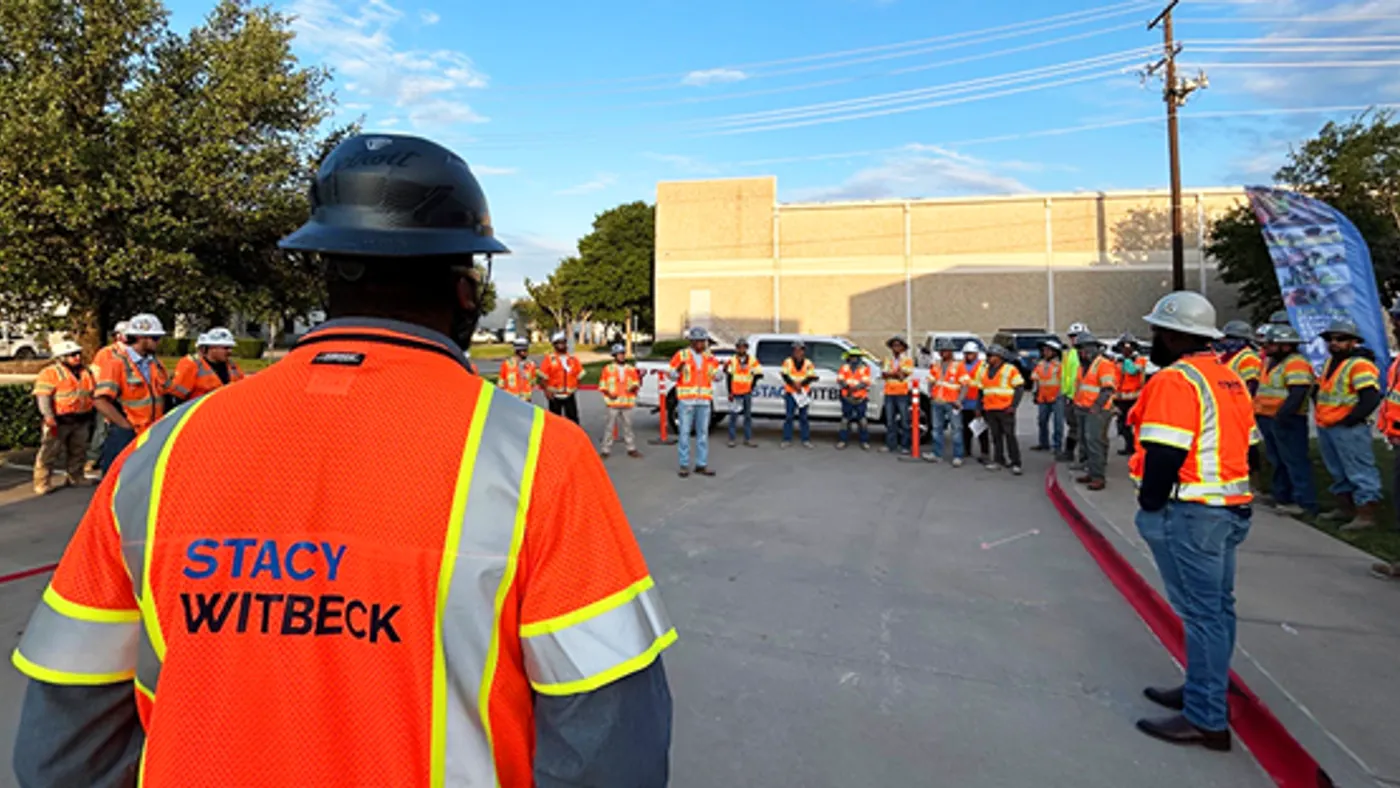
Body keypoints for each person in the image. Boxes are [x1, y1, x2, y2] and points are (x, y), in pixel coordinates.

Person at [9, 134, 674, 787]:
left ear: (325, 269)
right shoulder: (538, 456)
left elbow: (66, 743)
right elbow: (607, 747)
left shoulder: (161, 452)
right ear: (466, 290)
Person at [1131, 290, 1259, 752]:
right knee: (1218, 611)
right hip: (1229, 507)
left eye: (1156, 331)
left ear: (1169, 334)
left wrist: (1149, 505)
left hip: (1192, 512)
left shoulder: (1175, 380)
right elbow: (1253, 450)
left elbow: (1165, 454)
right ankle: (1204, 688)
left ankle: (1205, 718)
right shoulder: (1228, 380)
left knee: (1203, 615)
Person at [1314, 319, 1383, 531]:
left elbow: (1370, 397)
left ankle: (1366, 514)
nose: (1334, 343)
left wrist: (1350, 420)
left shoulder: (1359, 364)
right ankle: (1345, 508)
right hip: (1328, 424)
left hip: (1348, 427)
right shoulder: (1331, 363)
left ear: (1353, 342)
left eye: (1340, 339)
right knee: (1338, 470)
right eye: (1330, 339)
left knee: (1359, 470)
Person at [1254, 324, 1318, 518]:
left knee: (1294, 460)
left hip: (1288, 419)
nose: (1267, 347)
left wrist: (1283, 415)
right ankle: (1282, 495)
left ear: (1286, 346)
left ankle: (1304, 502)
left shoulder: (1296, 363)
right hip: (1270, 417)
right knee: (1279, 460)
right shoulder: (1272, 362)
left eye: (1272, 344)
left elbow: (1298, 392)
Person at [93, 312, 170, 472]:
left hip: (152, 433)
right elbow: (100, 400)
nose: (159, 342)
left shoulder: (155, 364)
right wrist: (125, 426)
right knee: (118, 480)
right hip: (127, 434)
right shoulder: (116, 364)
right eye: (155, 338)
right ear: (141, 338)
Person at [31, 341, 95, 496]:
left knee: (78, 451)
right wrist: (48, 416)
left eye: (78, 354)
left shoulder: (86, 372)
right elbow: (43, 396)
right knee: (49, 452)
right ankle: (42, 482)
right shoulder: (50, 373)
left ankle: (75, 477)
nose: (77, 357)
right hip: (59, 420)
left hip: (81, 419)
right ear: (61, 357)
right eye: (73, 355)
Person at [671, 326, 723, 476]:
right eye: (698, 341)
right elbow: (671, 375)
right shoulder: (682, 355)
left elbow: (716, 375)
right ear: (692, 342)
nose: (701, 344)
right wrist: (678, 370)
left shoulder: (709, 357)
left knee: (703, 434)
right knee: (684, 433)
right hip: (686, 400)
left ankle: (701, 464)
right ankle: (684, 464)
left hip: (704, 401)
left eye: (703, 341)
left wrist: (720, 373)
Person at [1072, 332, 1117, 491]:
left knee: (1094, 442)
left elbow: (1108, 388)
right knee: (1085, 441)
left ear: (1090, 349)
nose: (1079, 353)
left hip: (1097, 410)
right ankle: (1091, 472)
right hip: (1083, 408)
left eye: (1081, 349)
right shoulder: (1083, 366)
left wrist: (1097, 406)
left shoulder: (1103, 364)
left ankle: (1098, 477)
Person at [85, 320, 130, 477]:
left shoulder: (131, 352)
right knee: (102, 429)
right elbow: (96, 374)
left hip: (123, 398)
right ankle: (92, 459)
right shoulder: (106, 353)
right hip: (108, 396)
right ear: (117, 336)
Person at [978, 345, 1025, 475]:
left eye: (991, 356)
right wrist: (979, 407)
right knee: (996, 436)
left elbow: (1019, 387)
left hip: (1005, 409)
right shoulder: (985, 370)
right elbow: (981, 391)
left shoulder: (1010, 369)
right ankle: (999, 460)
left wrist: (1013, 406)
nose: (988, 358)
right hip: (990, 408)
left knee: (1010, 436)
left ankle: (1016, 462)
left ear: (999, 357)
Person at [168, 327, 244, 405]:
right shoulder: (192, 365)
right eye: (226, 348)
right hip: (198, 414)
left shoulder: (233, 367)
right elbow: (176, 398)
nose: (230, 351)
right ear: (211, 348)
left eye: (231, 348)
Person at [927, 338, 967, 466]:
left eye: (945, 350)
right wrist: (930, 394)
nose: (942, 353)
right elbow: (931, 380)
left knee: (956, 429)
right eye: (940, 351)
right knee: (936, 429)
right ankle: (937, 454)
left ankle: (958, 456)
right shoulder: (936, 365)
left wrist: (959, 400)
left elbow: (965, 385)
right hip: (937, 401)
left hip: (952, 402)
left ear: (951, 351)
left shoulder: (958, 365)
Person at [599, 344, 643, 460]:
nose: (622, 356)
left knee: (628, 427)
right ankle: (605, 450)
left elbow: (636, 382)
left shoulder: (630, 369)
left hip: (627, 403)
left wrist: (633, 387)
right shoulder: (608, 369)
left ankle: (631, 448)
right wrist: (609, 394)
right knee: (609, 427)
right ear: (614, 356)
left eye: (623, 353)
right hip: (613, 403)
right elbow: (603, 385)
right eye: (619, 354)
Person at [1057, 322, 1087, 463]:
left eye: (1077, 336)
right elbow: (1067, 376)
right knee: (1073, 426)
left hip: (1081, 398)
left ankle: (1081, 456)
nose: (1074, 339)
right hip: (1070, 396)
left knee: (1080, 428)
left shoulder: (1085, 354)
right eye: (1072, 337)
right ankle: (1070, 453)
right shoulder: (1070, 353)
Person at [1114, 333, 1148, 456]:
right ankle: (1130, 446)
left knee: (1135, 425)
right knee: (1122, 426)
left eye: (1128, 347)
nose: (1126, 349)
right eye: (1123, 347)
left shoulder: (1140, 360)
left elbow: (1134, 371)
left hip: (1135, 398)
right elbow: (1116, 378)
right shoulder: (1118, 361)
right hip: (1121, 399)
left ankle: (1136, 448)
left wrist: (1129, 362)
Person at [540, 331, 585, 423]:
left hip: (569, 396)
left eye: (563, 342)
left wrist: (575, 386)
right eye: (559, 343)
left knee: (573, 419)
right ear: (554, 345)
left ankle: (573, 437)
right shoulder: (549, 359)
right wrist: (547, 391)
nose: (562, 345)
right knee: (555, 421)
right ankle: (556, 437)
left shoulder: (573, 359)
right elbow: (543, 377)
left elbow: (579, 375)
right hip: (555, 396)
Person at [781, 340, 818, 449]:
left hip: (803, 393)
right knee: (789, 417)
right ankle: (787, 439)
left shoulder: (808, 363)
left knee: (804, 418)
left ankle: (805, 439)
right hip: (790, 393)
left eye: (800, 350)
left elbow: (810, 377)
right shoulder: (787, 362)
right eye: (796, 350)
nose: (798, 352)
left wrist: (800, 385)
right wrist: (794, 385)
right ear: (793, 351)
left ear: (803, 351)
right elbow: (785, 376)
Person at [726, 338, 762, 448]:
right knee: (733, 417)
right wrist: (730, 392)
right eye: (739, 347)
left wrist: (752, 386)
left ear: (746, 348)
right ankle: (732, 439)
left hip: (747, 392)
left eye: (743, 346)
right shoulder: (732, 360)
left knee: (747, 417)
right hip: (736, 392)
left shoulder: (752, 360)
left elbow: (758, 374)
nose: (741, 348)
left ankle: (748, 439)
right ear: (737, 348)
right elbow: (729, 376)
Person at [958, 342, 991, 464]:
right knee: (966, 429)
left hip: (978, 402)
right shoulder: (960, 366)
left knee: (981, 429)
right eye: (966, 354)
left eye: (970, 353)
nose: (968, 356)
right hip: (965, 402)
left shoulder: (983, 366)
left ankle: (985, 453)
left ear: (976, 354)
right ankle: (966, 450)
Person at [882, 336, 914, 453]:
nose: (896, 348)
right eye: (894, 345)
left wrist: (892, 374)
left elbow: (902, 376)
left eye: (898, 345)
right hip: (889, 392)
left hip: (901, 393)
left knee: (905, 420)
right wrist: (895, 373)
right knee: (890, 421)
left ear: (903, 348)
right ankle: (891, 444)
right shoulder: (888, 359)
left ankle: (905, 446)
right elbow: (884, 375)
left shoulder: (907, 360)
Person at [1030, 339, 1063, 454]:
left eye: (1048, 350)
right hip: (1043, 397)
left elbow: (1064, 381)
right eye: (1044, 350)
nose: (1045, 352)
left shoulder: (1060, 365)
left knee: (1058, 423)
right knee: (1042, 421)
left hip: (1057, 398)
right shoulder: (1040, 364)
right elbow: (1036, 380)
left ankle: (1057, 446)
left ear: (1055, 352)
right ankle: (1043, 443)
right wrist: (1035, 393)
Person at [836, 349, 872, 450]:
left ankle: (864, 441)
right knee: (845, 420)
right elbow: (840, 379)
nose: (854, 358)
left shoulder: (865, 368)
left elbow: (865, 382)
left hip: (860, 397)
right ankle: (843, 440)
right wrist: (849, 388)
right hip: (846, 397)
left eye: (856, 356)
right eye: (852, 356)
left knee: (862, 420)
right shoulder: (844, 367)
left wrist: (853, 389)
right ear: (849, 357)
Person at [1217, 320, 1263, 397]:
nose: (1224, 340)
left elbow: (1251, 385)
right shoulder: (1224, 356)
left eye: (1230, 337)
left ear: (1242, 340)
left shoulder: (1248, 358)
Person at [496, 336, 539, 401]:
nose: (526, 352)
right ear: (518, 350)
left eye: (526, 350)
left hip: (526, 401)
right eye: (524, 350)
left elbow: (532, 383)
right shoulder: (507, 364)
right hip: (511, 400)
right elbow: (501, 383)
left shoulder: (531, 365)